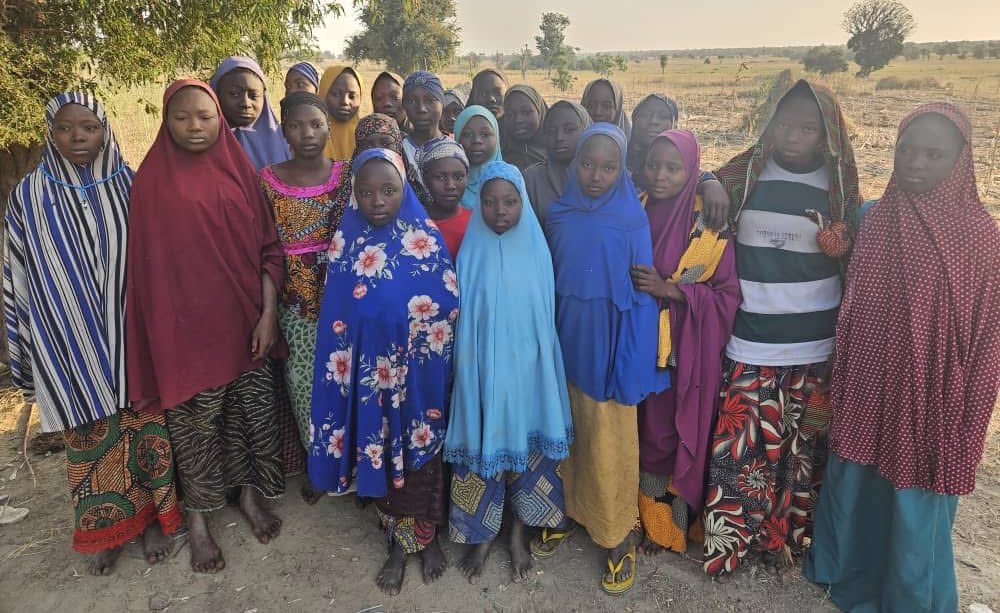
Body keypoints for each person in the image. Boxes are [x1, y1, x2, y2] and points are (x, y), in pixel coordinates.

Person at [804, 103, 1000, 613]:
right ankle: (845, 574)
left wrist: (969, 417)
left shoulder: (982, 238)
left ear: (962, 160)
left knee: (915, 496)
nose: (914, 163)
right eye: (906, 150)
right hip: (868, 380)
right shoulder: (873, 218)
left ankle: (909, 597)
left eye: (934, 154)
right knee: (857, 482)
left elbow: (988, 339)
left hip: (930, 393)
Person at [4, 92, 181, 576]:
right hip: (69, 339)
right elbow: (17, 273)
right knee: (90, 437)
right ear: (50, 134)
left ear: (105, 130)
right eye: (65, 128)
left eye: (89, 127)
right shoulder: (29, 197)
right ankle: (110, 529)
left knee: (144, 427)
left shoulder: (132, 185)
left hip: (131, 334)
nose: (77, 137)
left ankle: (152, 521)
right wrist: (25, 349)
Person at [702, 79, 861, 578]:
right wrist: (707, 180)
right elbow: (700, 184)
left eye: (808, 128)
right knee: (741, 449)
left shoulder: (839, 187)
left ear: (828, 134)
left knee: (798, 452)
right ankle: (730, 546)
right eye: (785, 123)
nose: (794, 135)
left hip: (815, 345)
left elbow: (856, 255)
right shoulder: (746, 173)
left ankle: (783, 543)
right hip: (751, 337)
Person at [127, 80, 286, 573]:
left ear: (221, 120)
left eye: (205, 116)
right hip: (186, 334)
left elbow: (268, 249)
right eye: (182, 117)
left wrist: (267, 315)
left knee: (249, 417)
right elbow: (146, 273)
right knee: (194, 429)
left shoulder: (240, 172)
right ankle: (197, 522)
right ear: (165, 121)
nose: (194, 126)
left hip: (245, 324)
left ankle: (249, 497)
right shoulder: (151, 183)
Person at [309, 148, 459, 596]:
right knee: (380, 450)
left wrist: (407, 334)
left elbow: (447, 305)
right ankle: (398, 543)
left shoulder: (425, 239)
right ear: (354, 193)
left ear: (404, 189)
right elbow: (337, 318)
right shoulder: (346, 244)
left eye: (389, 190)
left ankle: (427, 537)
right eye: (367, 191)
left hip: (417, 378)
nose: (378, 200)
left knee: (422, 458)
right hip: (370, 381)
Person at [542, 123, 671, 595]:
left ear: (622, 170)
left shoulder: (631, 220)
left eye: (609, 167)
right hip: (566, 344)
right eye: (588, 164)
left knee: (609, 441)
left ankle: (617, 536)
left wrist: (629, 364)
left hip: (611, 349)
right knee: (569, 435)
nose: (596, 175)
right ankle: (571, 513)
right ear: (575, 164)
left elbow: (640, 300)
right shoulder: (559, 215)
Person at [444, 161, 574, 583]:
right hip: (482, 372)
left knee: (526, 447)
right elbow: (465, 320)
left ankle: (519, 532)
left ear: (523, 204)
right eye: (490, 201)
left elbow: (543, 321)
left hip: (526, 374)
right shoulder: (470, 253)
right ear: (478, 203)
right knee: (485, 441)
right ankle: (482, 535)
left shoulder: (536, 251)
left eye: (510, 202)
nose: (500, 210)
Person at [630, 130, 740, 556]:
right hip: (635, 345)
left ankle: (668, 527)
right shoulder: (634, 206)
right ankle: (638, 516)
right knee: (640, 431)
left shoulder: (708, 223)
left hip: (681, 352)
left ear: (692, 170)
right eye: (653, 165)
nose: (660, 175)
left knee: (667, 433)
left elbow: (727, 295)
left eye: (673, 168)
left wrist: (671, 291)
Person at [260, 92, 349, 503]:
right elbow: (264, 246)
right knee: (302, 386)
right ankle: (317, 466)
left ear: (328, 126)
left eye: (315, 124)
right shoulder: (268, 180)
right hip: (294, 298)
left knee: (345, 381)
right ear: (283, 131)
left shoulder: (347, 175)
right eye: (296, 126)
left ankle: (348, 462)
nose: (307, 133)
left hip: (344, 293)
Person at [210, 56, 290, 169]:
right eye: (234, 94)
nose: (245, 103)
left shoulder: (286, 141)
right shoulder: (201, 140)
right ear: (217, 94)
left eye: (254, 96)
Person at [522, 100, 591, 225]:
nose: (559, 137)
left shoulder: (599, 176)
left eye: (569, 130)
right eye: (551, 131)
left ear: (586, 131)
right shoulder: (531, 179)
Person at [353, 113, 433, 209]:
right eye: (368, 145)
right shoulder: (344, 180)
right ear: (358, 150)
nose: (378, 151)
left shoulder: (414, 179)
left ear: (398, 146)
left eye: (386, 144)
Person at [420, 139, 472, 258]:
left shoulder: (477, 223)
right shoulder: (414, 226)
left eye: (458, 177)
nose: (450, 186)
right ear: (425, 179)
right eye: (440, 177)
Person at [401, 71, 450, 192]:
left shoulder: (454, 149)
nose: (421, 109)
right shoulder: (399, 150)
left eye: (430, 100)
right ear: (404, 105)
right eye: (412, 101)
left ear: (442, 103)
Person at [454, 105, 502, 209]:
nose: (476, 140)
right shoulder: (449, 183)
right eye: (467, 135)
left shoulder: (510, 179)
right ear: (457, 138)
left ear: (497, 137)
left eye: (485, 134)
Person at [627, 94, 678, 182]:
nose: (653, 121)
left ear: (674, 124)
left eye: (663, 117)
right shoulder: (617, 159)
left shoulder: (682, 163)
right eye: (645, 115)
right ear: (634, 120)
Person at [319, 65, 363, 160]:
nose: (344, 101)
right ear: (323, 94)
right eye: (336, 94)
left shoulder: (368, 136)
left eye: (352, 96)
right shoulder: (310, 135)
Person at [500, 85, 548, 171]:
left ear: (540, 112)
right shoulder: (499, 153)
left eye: (526, 112)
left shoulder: (558, 152)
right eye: (510, 114)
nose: (518, 120)